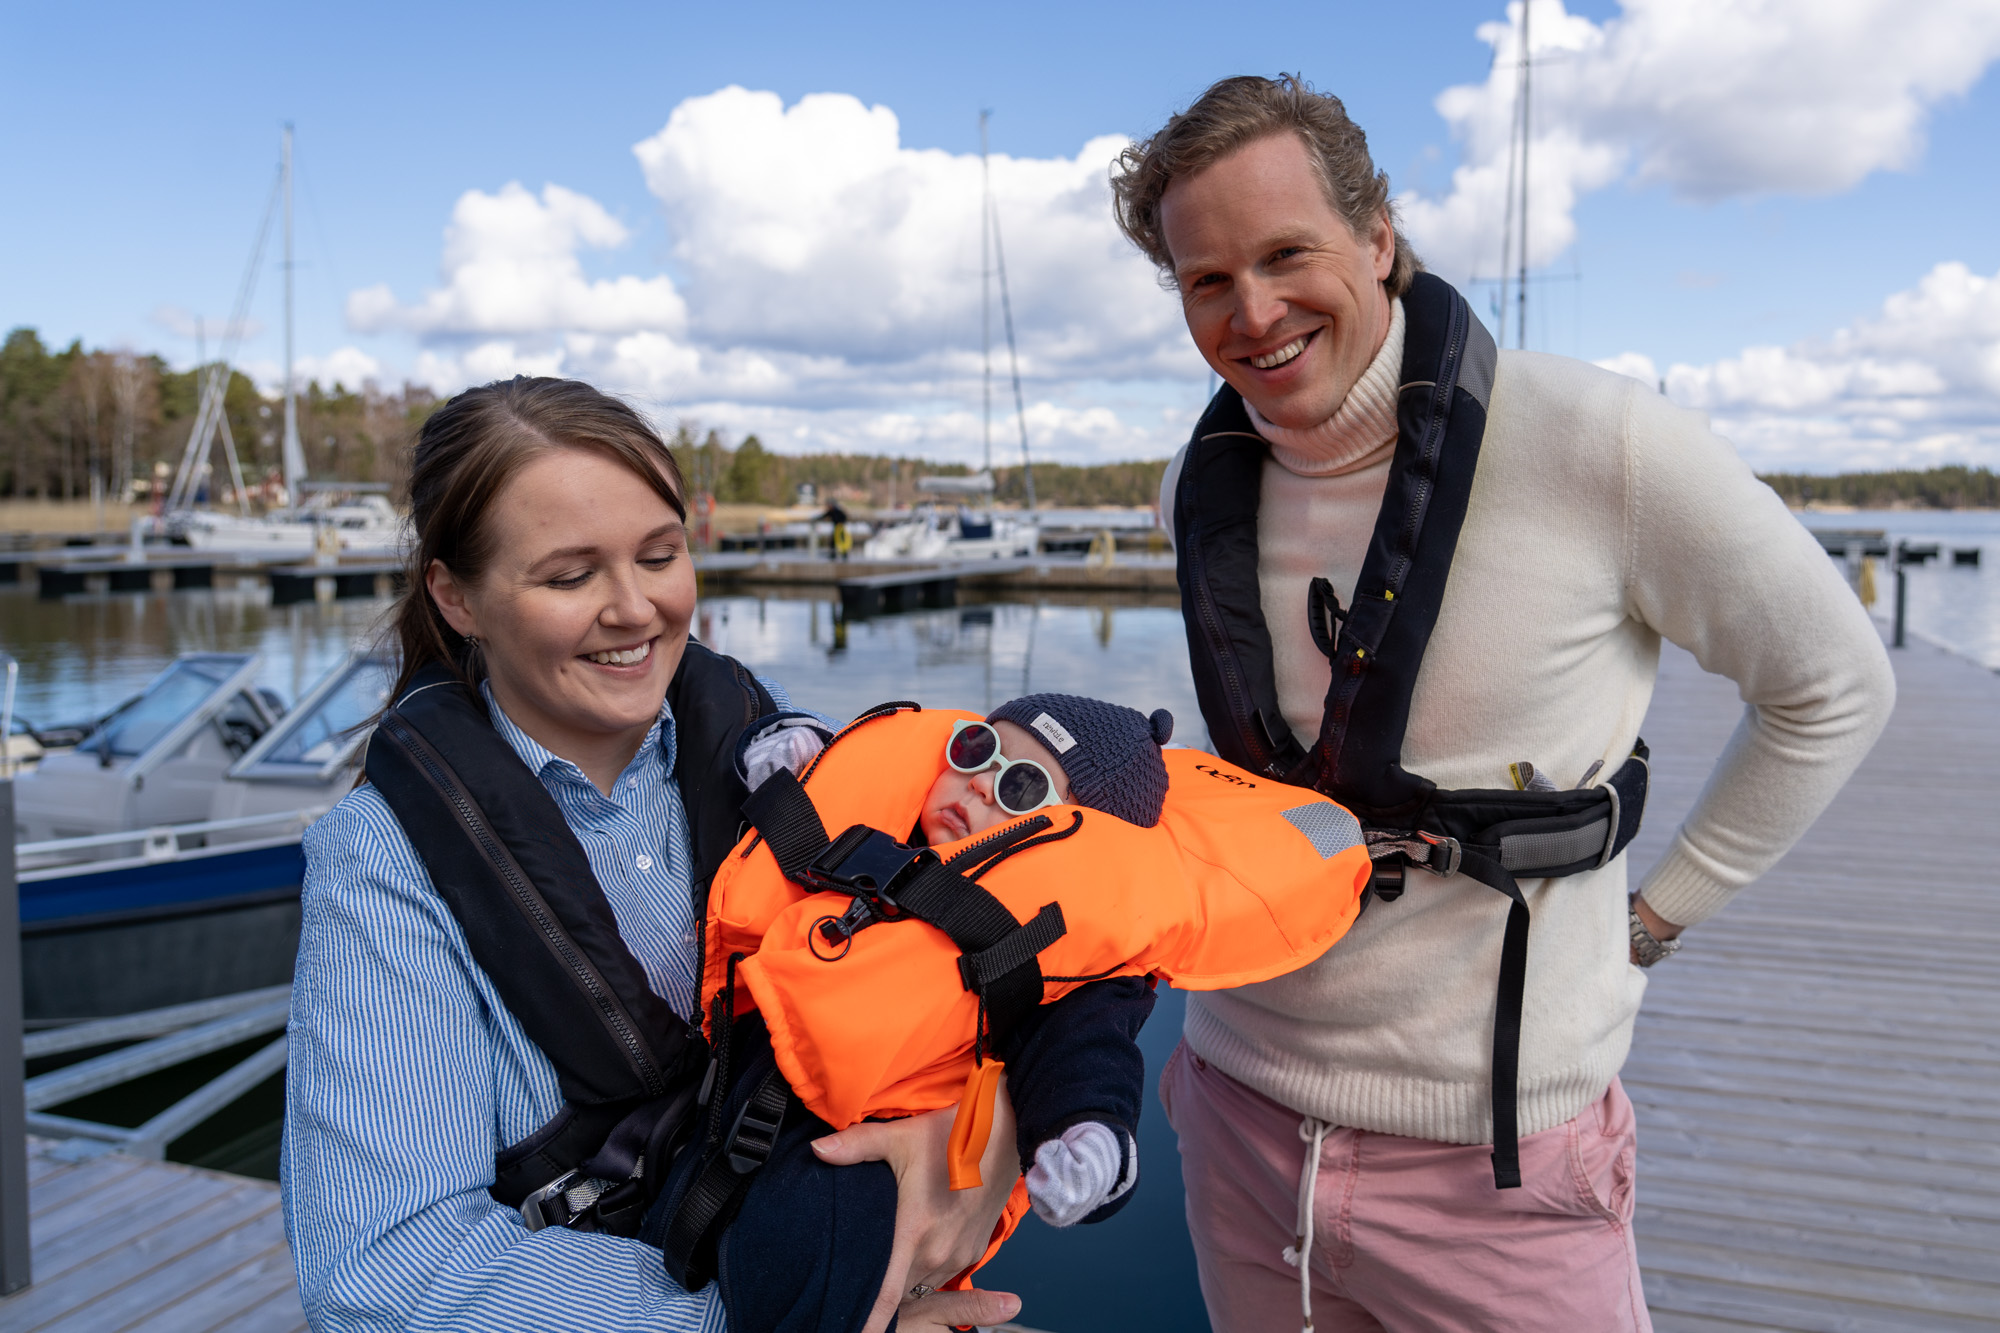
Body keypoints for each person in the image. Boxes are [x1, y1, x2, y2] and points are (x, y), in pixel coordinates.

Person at [1111, 76, 1896, 1331]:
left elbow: (1832, 684)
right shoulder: (1192, 488)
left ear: (1377, 237)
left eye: (1284, 254)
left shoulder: (1600, 443)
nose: (1251, 312)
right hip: (1240, 1116)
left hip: (1497, 1158)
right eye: (1206, 280)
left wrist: (1656, 915)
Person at [283, 376, 1023, 1333]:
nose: (635, 608)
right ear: (457, 596)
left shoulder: (785, 759)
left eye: (661, 555)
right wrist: (767, 1315)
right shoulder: (382, 865)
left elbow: (999, 959)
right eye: (569, 576)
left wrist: (992, 1132)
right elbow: (381, 1272)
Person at [687, 691, 1370, 1332]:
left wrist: (1091, 1140)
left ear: (1071, 837)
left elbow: (1087, 1052)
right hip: (733, 1103)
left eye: (1020, 787)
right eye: (975, 750)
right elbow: (802, 776)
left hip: (862, 1161)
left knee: (797, 1255)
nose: (981, 783)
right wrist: (787, 751)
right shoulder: (882, 835)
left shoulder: (1065, 944)